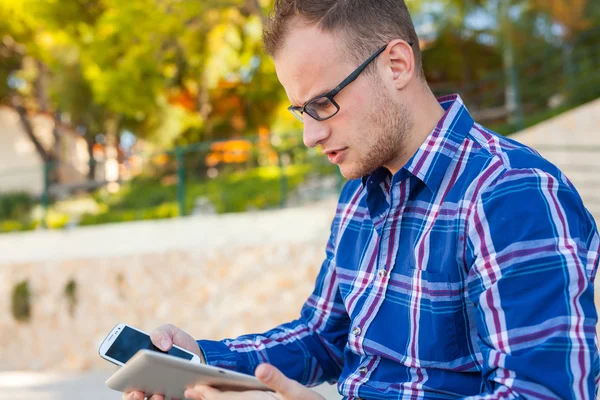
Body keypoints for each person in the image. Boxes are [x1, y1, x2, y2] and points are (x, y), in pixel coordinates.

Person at [124, 0, 600, 399]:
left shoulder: (511, 193)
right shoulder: (359, 191)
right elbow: (323, 338)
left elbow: (540, 393)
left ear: (397, 65)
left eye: (323, 104)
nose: (310, 135)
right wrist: (205, 362)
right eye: (300, 111)